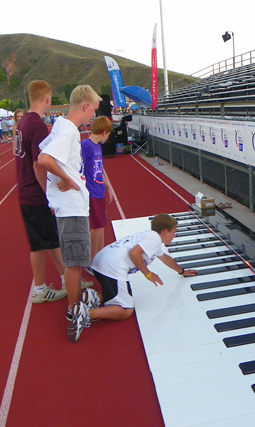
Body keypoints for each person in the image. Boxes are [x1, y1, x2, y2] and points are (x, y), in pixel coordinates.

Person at [68, 214, 199, 342]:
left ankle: (94, 297)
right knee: (126, 310)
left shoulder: (150, 238)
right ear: (165, 231)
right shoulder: (154, 239)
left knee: (119, 293)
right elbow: (134, 253)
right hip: (112, 268)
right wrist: (148, 274)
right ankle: (86, 313)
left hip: (100, 263)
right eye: (173, 232)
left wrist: (182, 271)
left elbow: (166, 259)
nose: (174, 236)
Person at [38, 85, 101, 318]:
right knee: (75, 263)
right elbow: (43, 158)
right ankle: (74, 311)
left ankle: (75, 306)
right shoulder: (69, 131)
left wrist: (55, 181)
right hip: (72, 207)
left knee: (75, 260)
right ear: (85, 106)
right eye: (93, 109)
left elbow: (44, 154)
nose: (93, 115)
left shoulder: (60, 125)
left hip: (68, 205)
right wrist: (66, 180)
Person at [15, 80, 67, 304]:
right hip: (34, 193)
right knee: (40, 242)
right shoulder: (36, 124)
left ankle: (67, 278)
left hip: (27, 190)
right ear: (47, 99)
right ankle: (39, 288)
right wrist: (49, 195)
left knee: (51, 239)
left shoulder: (23, 122)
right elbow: (39, 163)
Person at [80, 116, 114, 263]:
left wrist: (109, 187)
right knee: (97, 227)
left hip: (99, 191)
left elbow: (100, 170)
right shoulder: (85, 145)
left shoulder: (98, 147)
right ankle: (92, 259)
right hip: (91, 192)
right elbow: (78, 168)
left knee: (101, 225)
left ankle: (100, 255)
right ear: (104, 132)